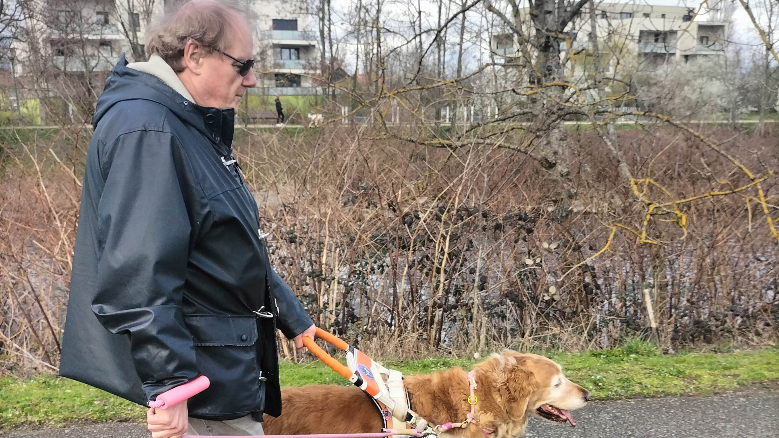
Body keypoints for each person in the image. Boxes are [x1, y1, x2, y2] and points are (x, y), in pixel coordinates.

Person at [58, 1, 316, 437]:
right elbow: (140, 276)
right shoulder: (150, 132)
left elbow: (226, 244)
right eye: (243, 64)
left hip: (221, 368)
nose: (251, 79)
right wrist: (172, 386)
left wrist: (291, 316)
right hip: (202, 383)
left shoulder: (186, 125)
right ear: (194, 56)